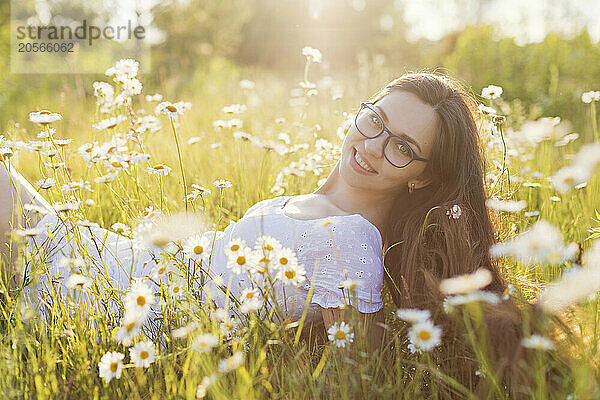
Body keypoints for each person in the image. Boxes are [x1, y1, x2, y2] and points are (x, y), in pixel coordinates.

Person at [1, 72, 530, 395]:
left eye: (403, 147)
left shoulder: (350, 243)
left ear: (424, 176)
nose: (371, 146)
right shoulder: (318, 204)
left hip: (120, 307)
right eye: (374, 121)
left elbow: (355, 374)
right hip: (117, 268)